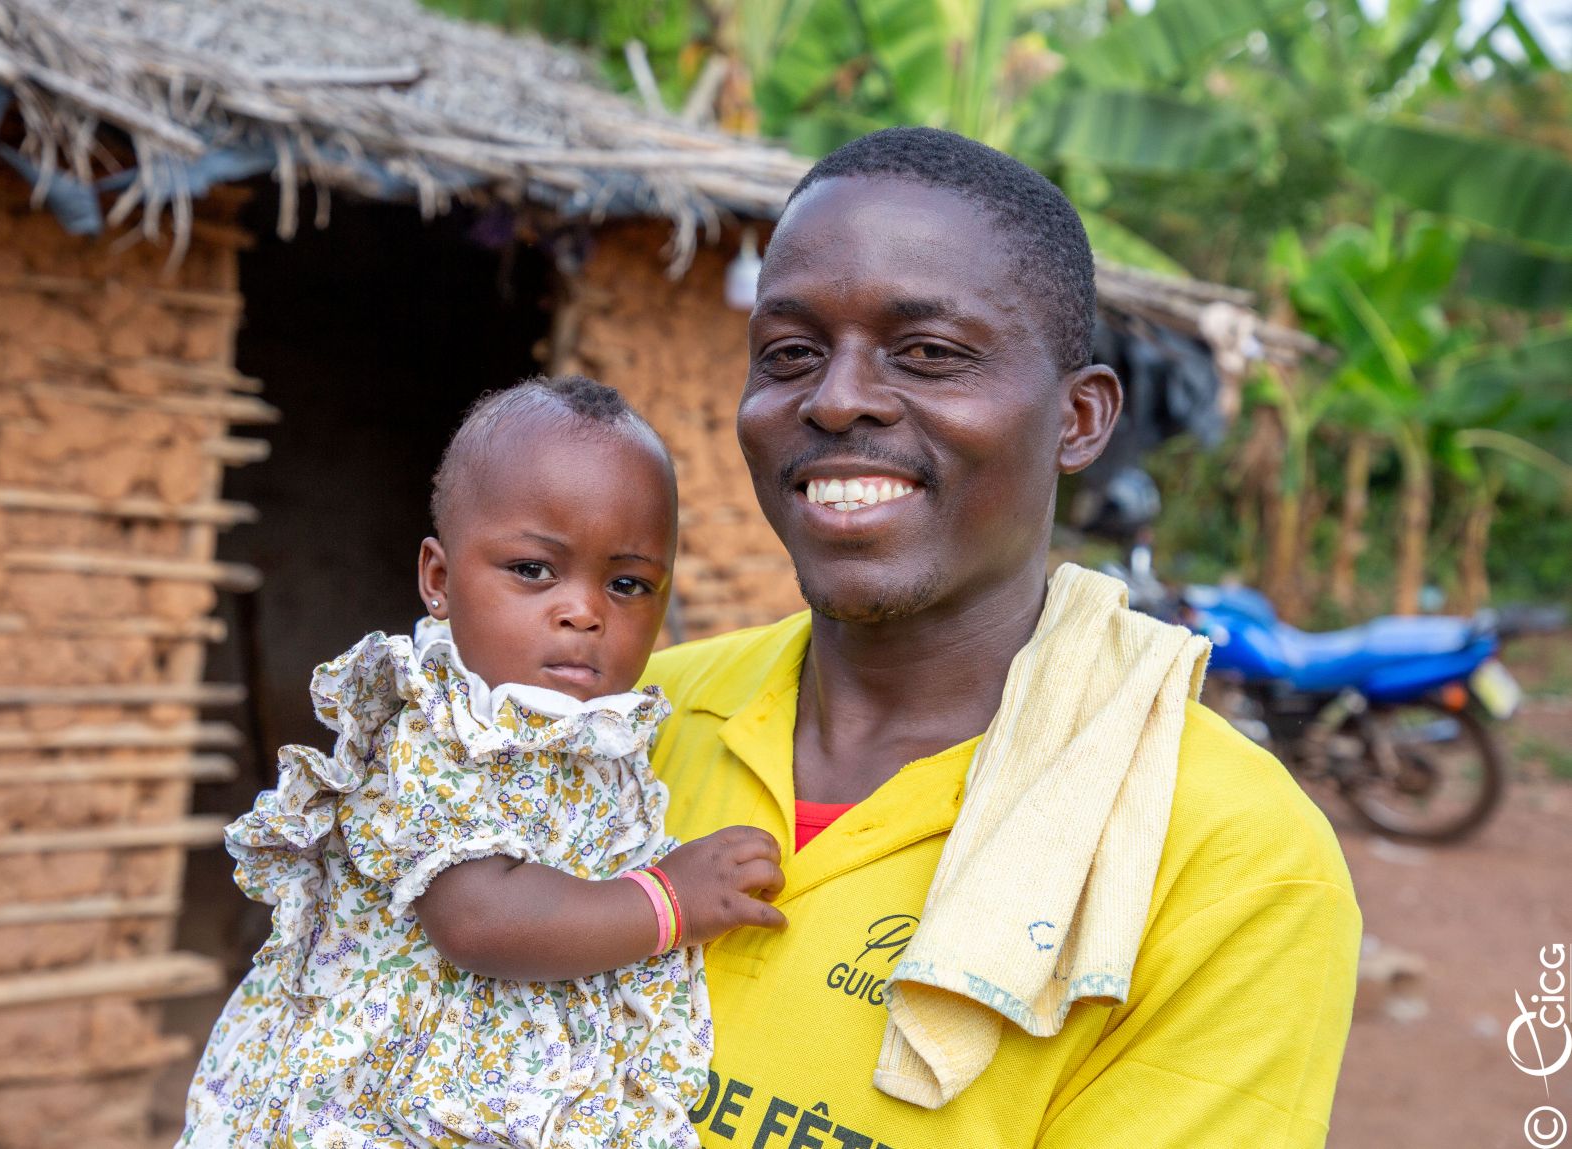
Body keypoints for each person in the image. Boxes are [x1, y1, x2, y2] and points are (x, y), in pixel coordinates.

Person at [642, 127, 1362, 1147]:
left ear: (1079, 419)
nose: (836, 397)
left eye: (929, 353)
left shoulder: (1226, 861)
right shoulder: (634, 724)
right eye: (790, 354)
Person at [178, 376, 786, 1149]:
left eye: (627, 584)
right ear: (437, 578)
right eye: (534, 570)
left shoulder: (596, 733)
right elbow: (476, 916)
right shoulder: (433, 726)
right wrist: (668, 901)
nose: (583, 610)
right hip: (384, 1099)